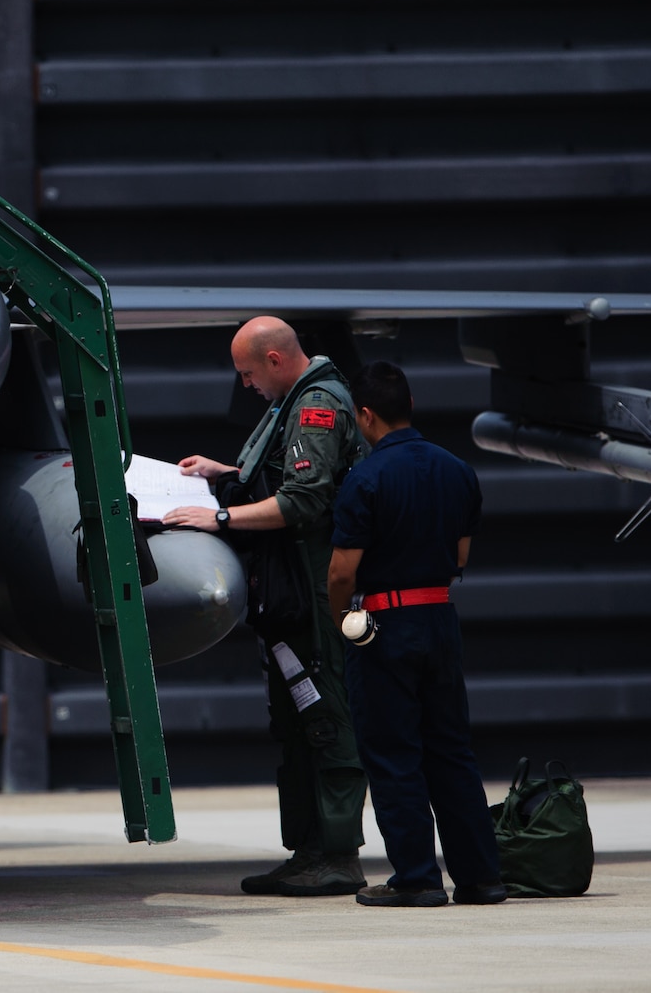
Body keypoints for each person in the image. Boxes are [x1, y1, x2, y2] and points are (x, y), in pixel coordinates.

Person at [164, 316, 369, 896]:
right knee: (297, 719)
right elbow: (285, 479)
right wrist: (222, 474)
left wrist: (220, 516)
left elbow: (304, 499)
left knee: (326, 716)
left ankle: (338, 854)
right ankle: (308, 851)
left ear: (275, 360)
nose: (247, 384)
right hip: (286, 594)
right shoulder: (291, 404)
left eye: (249, 373)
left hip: (313, 590)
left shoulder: (316, 407)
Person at [328, 360, 506, 907]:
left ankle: (417, 878)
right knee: (451, 750)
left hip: (384, 625)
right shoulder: (457, 469)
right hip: (439, 617)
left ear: (364, 415)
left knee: (392, 752)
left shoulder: (366, 477)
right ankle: (480, 877)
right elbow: (460, 555)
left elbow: (341, 571)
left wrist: (342, 623)